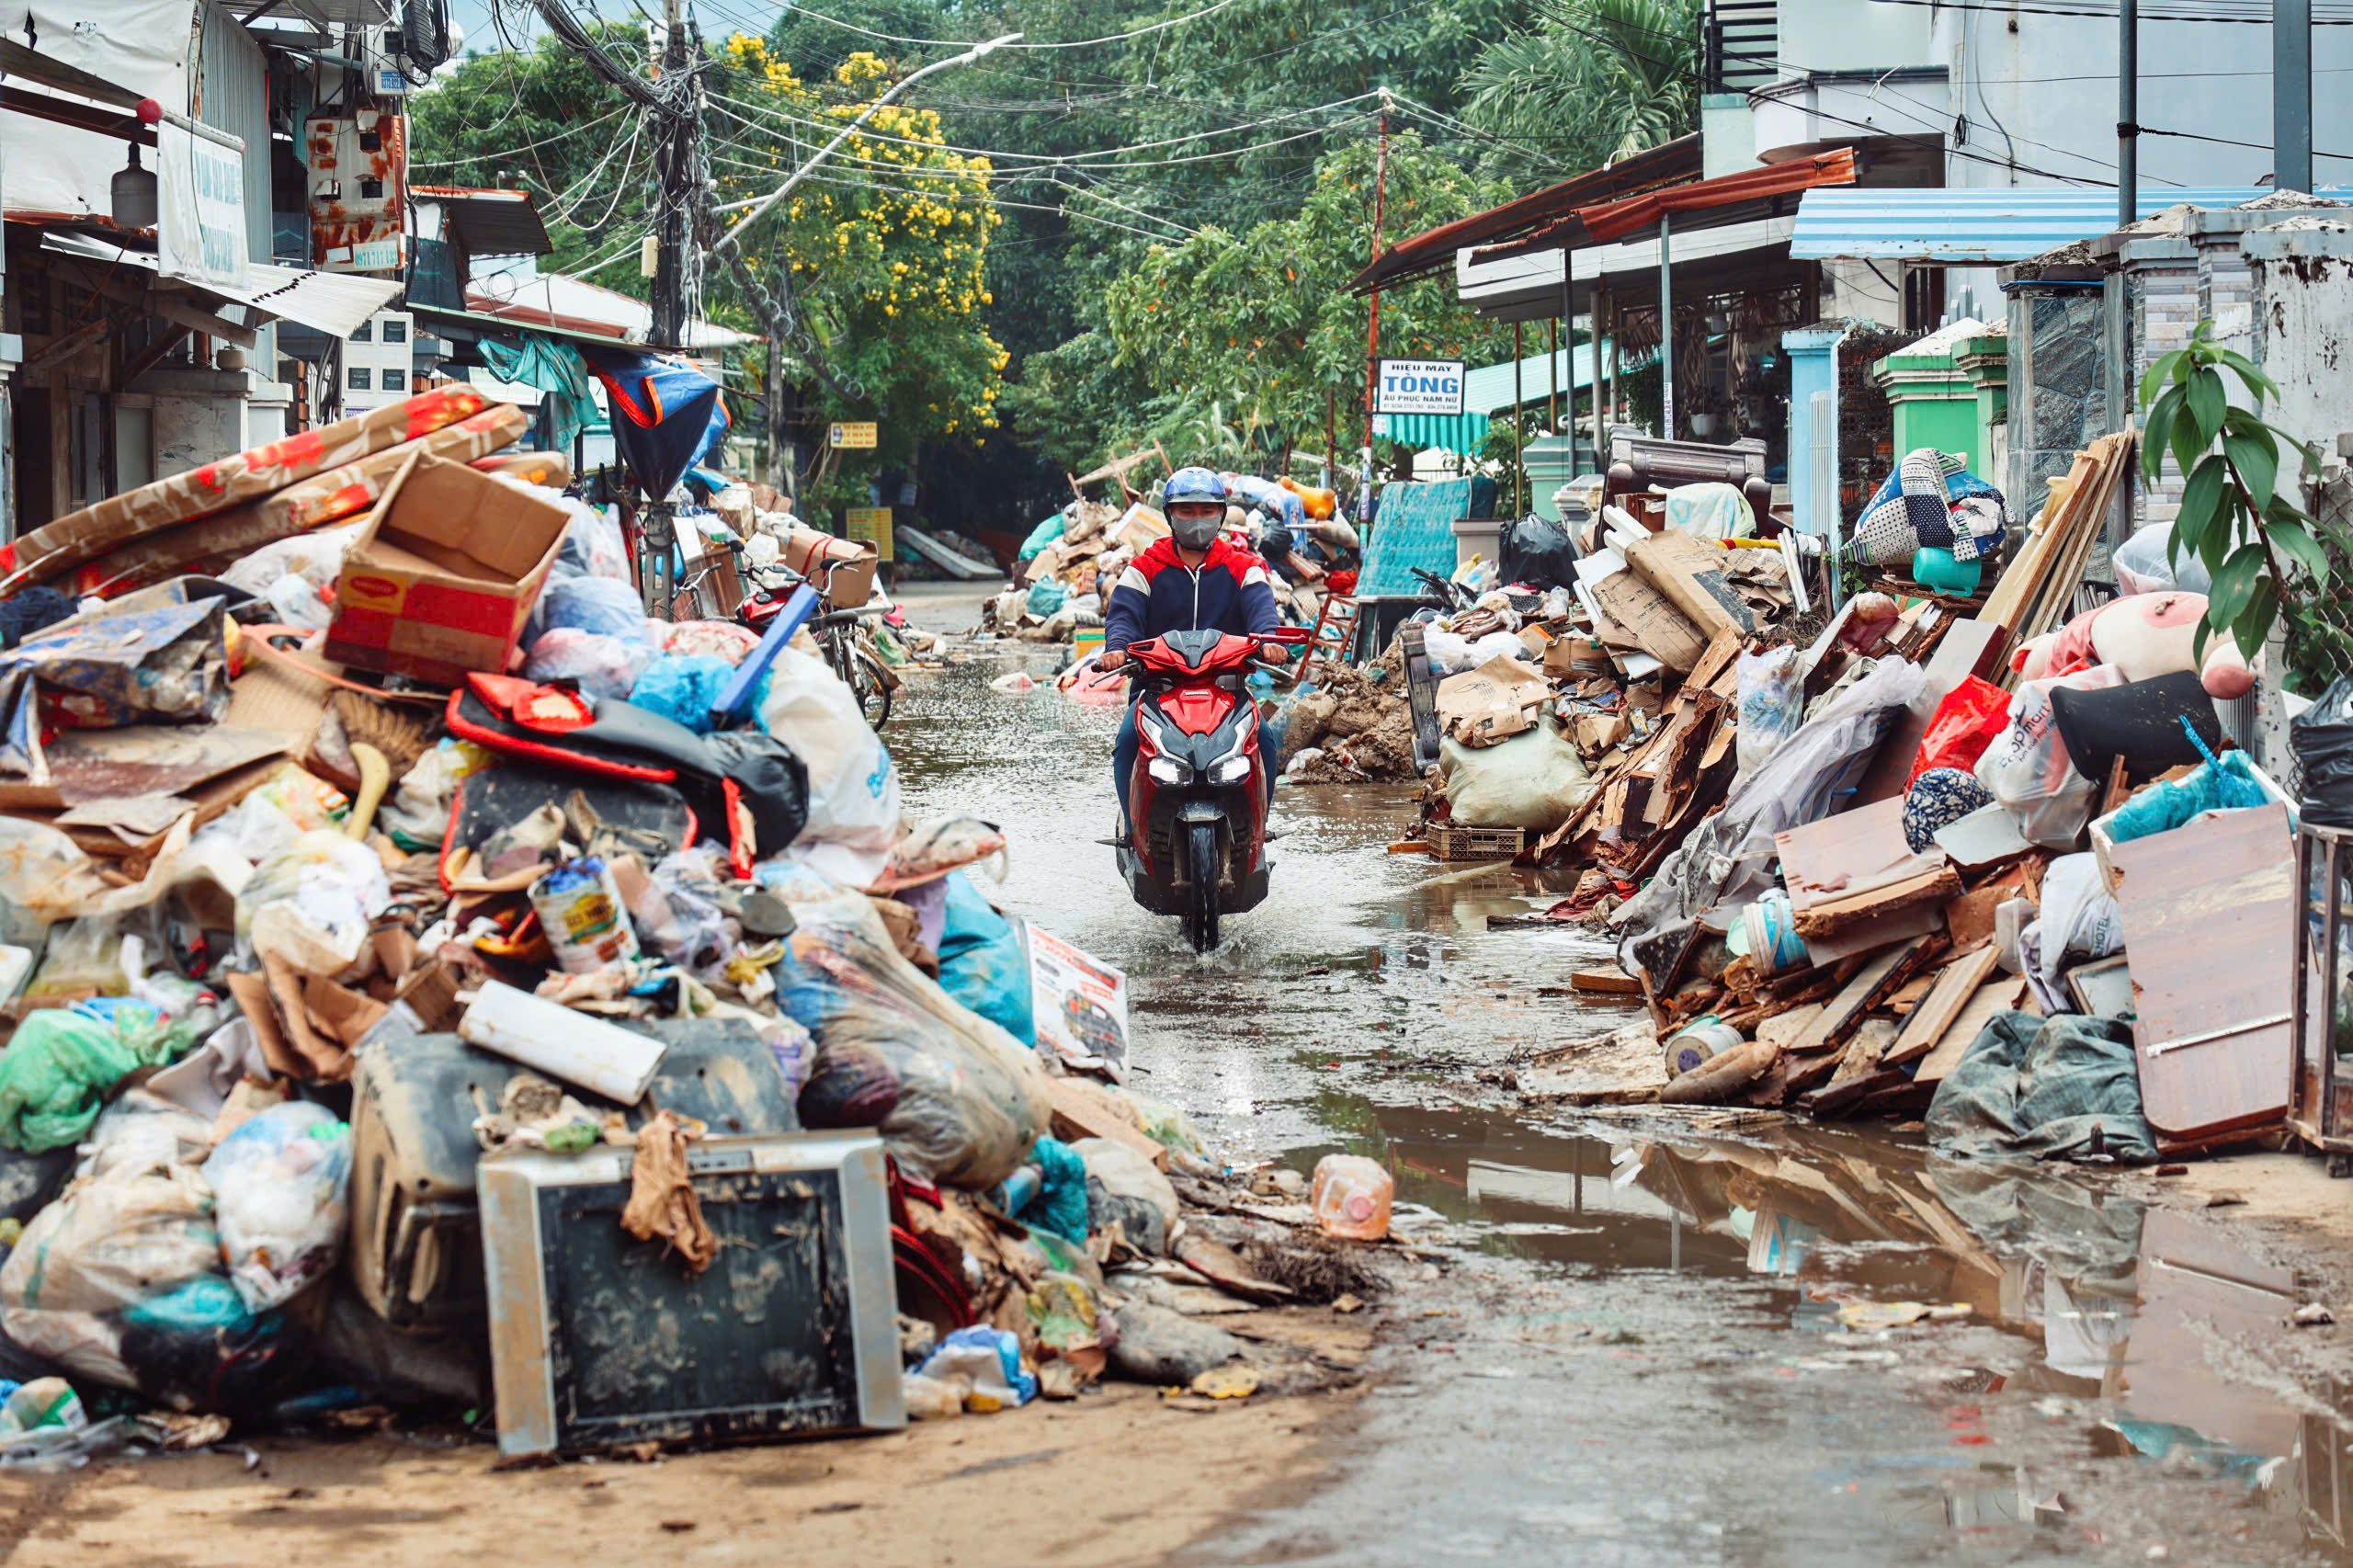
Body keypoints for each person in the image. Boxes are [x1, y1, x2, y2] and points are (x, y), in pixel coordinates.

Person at [1101, 466, 1280, 833]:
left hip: (1227, 690)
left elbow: (1263, 613)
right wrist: (1117, 649)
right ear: (1170, 515)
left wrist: (1270, 641)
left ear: (1221, 514)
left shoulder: (1244, 568)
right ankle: (1133, 832)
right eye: (1186, 511)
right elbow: (1123, 617)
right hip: (1157, 689)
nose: (1196, 520)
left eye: (1206, 511)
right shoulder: (1143, 569)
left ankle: (1260, 826)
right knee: (1125, 743)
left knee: (1266, 740)